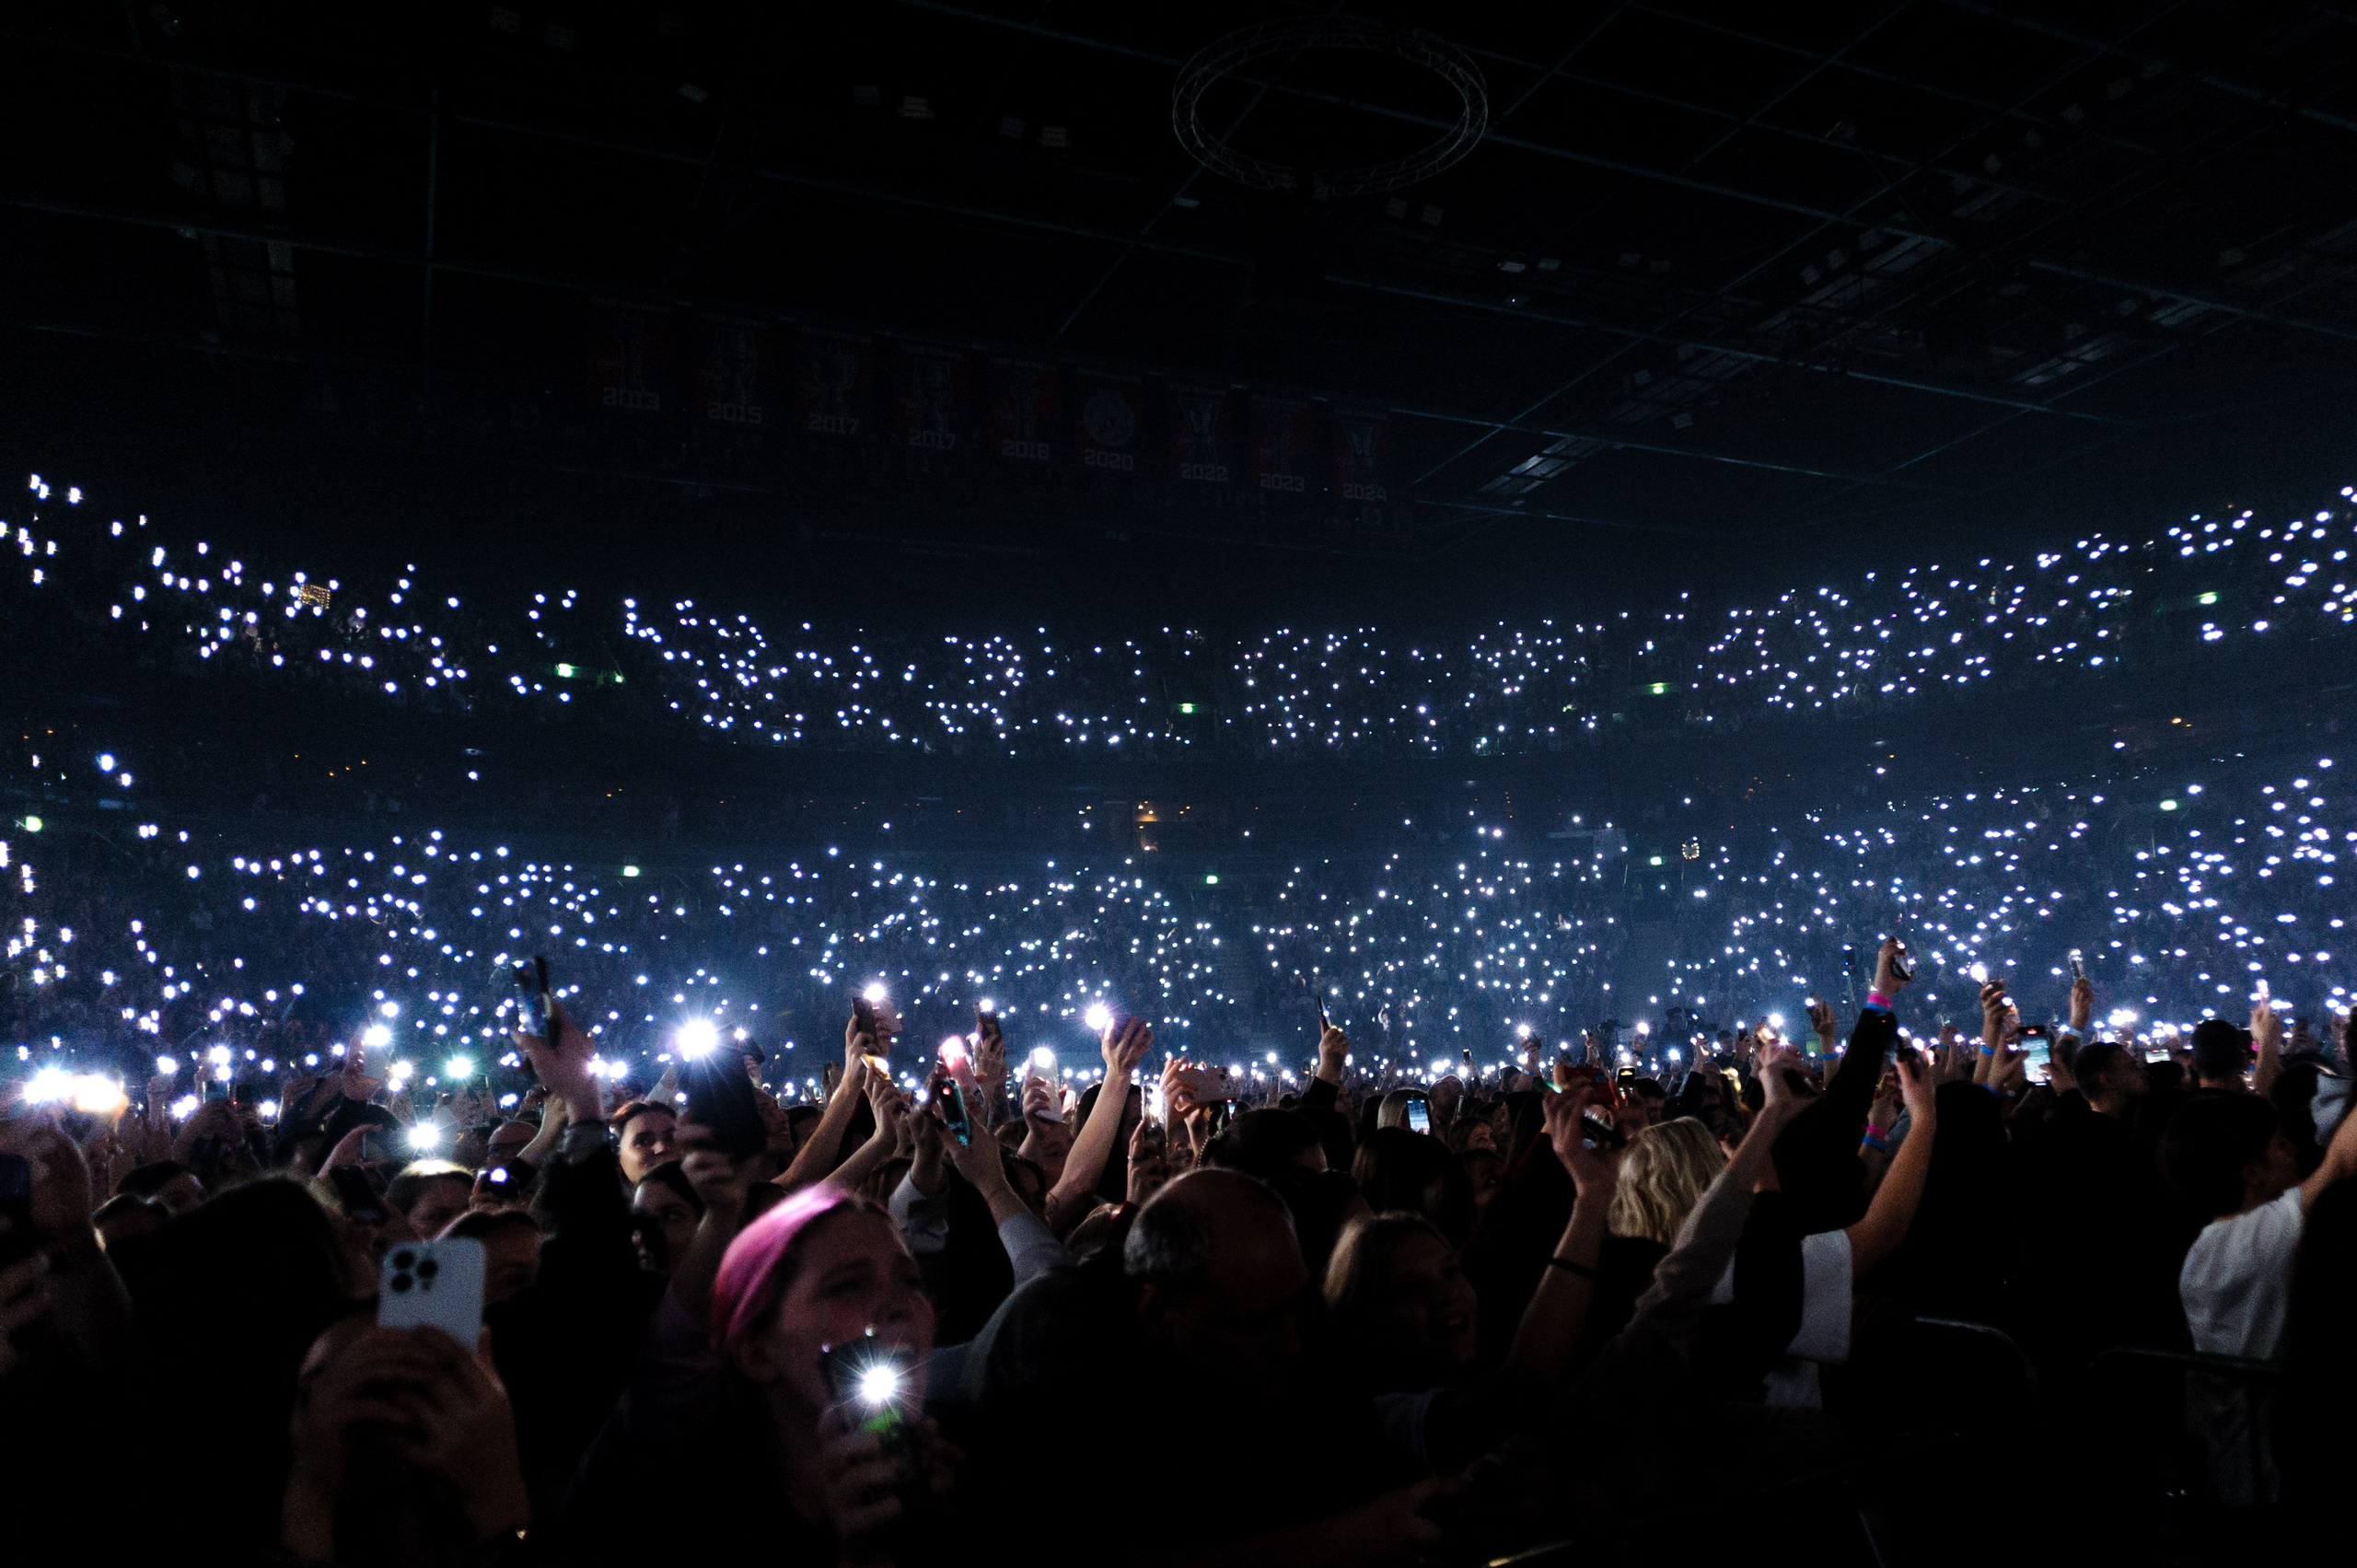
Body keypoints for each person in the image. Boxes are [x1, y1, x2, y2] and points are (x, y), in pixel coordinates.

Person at [2163, 1073, 2357, 1502]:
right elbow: (2340, 1161)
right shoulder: (2246, 1242)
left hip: (2238, 1463)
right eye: (2280, 1146)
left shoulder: (2210, 1245)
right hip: (2265, 1475)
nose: (2294, 1153)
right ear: (2252, 1171)